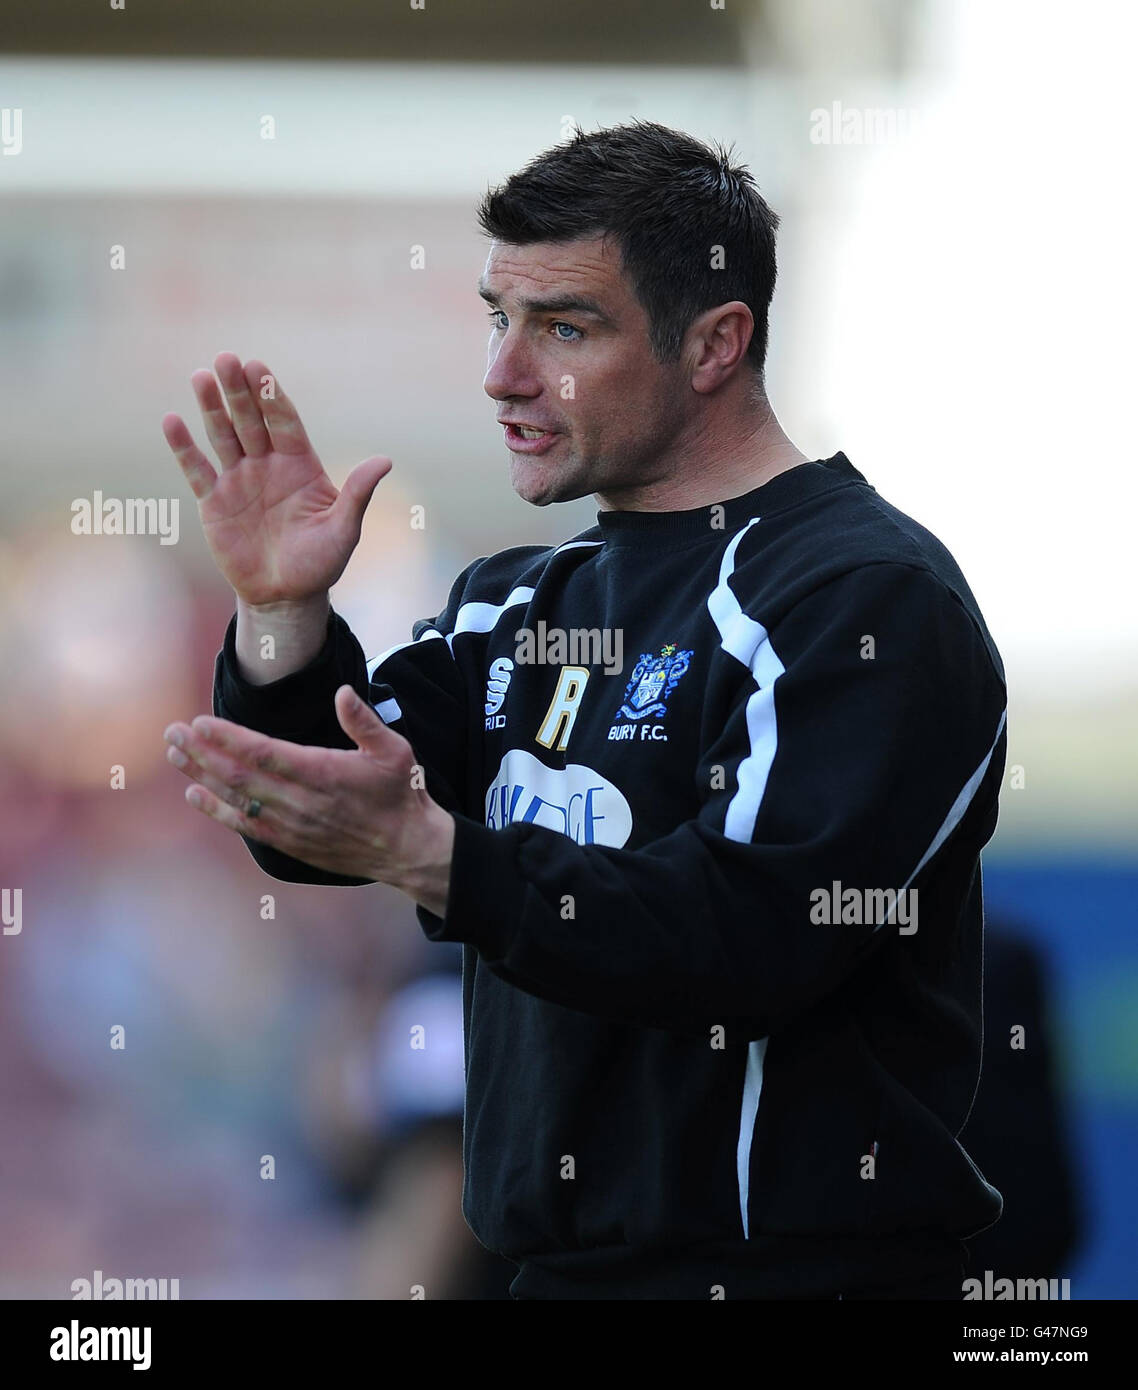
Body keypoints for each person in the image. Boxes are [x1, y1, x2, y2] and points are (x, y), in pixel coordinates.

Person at [160, 121, 1008, 1300]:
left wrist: (449, 862)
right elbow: (319, 814)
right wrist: (281, 614)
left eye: (564, 326)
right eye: (496, 318)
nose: (503, 373)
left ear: (715, 343)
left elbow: (754, 932)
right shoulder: (515, 602)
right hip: (546, 1277)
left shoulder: (862, 598)